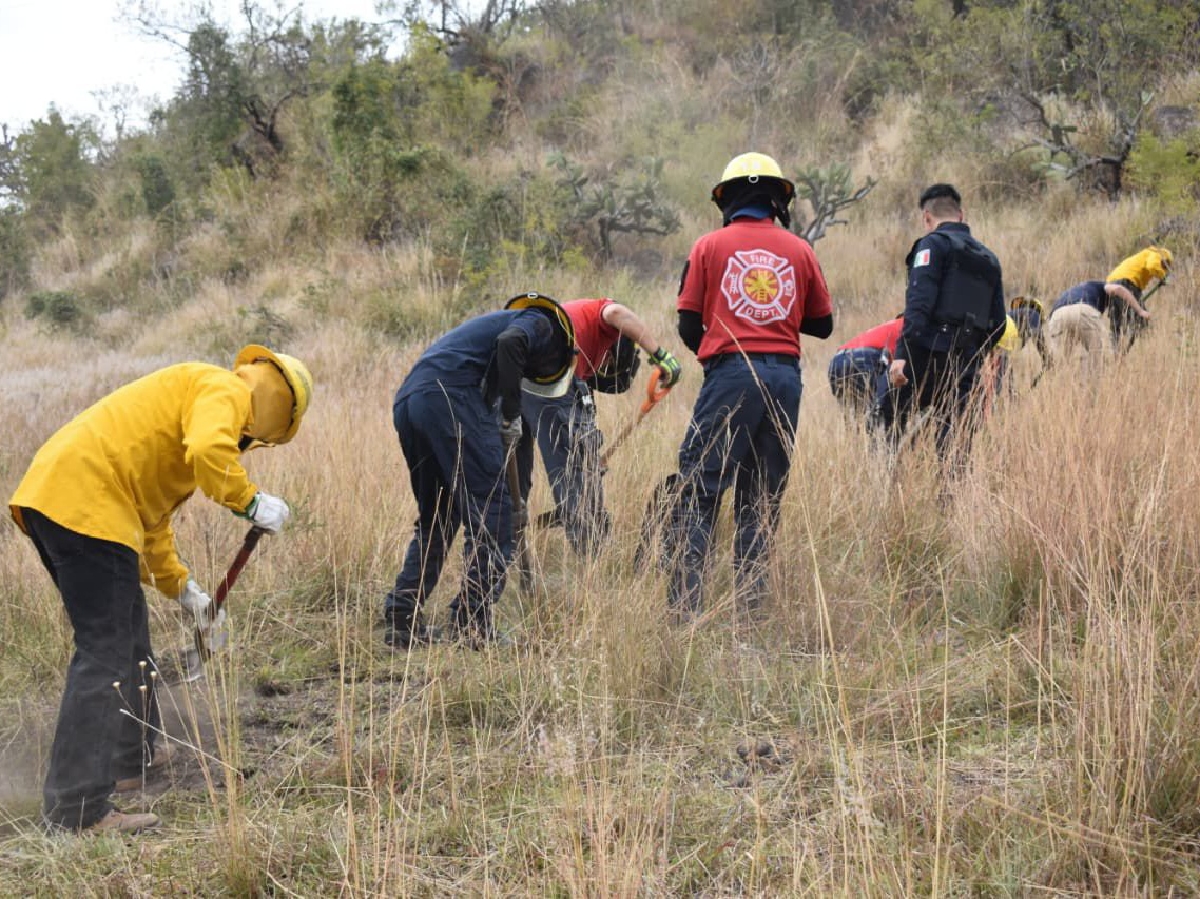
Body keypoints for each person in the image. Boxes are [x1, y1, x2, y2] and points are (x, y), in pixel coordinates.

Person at [8, 346, 313, 834]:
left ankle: (133, 761)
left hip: (72, 500)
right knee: (104, 652)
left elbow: (152, 528)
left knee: (129, 640)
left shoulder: (190, 413)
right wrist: (249, 500)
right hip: (86, 501)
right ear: (277, 411)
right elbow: (213, 454)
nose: (246, 442)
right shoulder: (225, 389)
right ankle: (75, 810)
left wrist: (192, 596)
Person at [669, 151, 833, 620]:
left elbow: (686, 325)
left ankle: (685, 612)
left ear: (729, 198)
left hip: (731, 373)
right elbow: (822, 324)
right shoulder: (801, 250)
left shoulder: (708, 246)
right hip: (785, 378)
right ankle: (751, 611)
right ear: (777, 198)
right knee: (761, 497)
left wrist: (722, 349)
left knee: (698, 488)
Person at [383, 292, 576, 650]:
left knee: (438, 517)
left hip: (411, 399)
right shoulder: (541, 324)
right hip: (449, 398)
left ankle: (401, 617)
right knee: (495, 516)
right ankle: (471, 625)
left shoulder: (482, 342)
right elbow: (511, 343)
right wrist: (511, 414)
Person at [517, 297, 681, 556]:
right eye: (610, 365)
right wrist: (661, 355)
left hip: (513, 372)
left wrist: (591, 458)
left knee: (513, 473)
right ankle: (594, 554)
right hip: (545, 377)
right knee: (576, 477)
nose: (604, 368)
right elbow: (616, 311)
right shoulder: (602, 317)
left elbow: (582, 417)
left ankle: (506, 545)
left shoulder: (574, 335)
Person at [880, 183, 1006, 459]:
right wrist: (975, 353)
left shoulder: (932, 245)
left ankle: (887, 481)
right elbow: (999, 325)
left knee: (887, 414)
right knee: (955, 440)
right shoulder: (990, 259)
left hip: (928, 355)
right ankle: (950, 497)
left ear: (927, 217)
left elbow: (919, 305)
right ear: (961, 215)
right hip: (966, 361)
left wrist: (902, 355)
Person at [827, 313, 902, 416]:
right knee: (878, 418)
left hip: (837, 362)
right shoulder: (912, 326)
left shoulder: (890, 325)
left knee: (856, 421)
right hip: (864, 360)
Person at [1104, 245, 1172, 351]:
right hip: (1127, 284)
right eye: (1165, 265)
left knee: (1116, 324)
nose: (1164, 268)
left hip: (1111, 285)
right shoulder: (1156, 254)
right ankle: (1132, 352)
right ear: (1164, 259)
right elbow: (1152, 266)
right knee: (1141, 322)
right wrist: (1163, 276)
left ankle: (1115, 354)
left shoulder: (1142, 256)